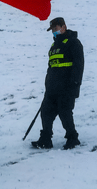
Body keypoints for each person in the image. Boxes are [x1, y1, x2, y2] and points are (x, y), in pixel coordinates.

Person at [31, 17, 85, 150]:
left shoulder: (73, 42)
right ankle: (45, 139)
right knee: (46, 113)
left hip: (67, 87)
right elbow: (51, 66)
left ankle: (72, 138)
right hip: (52, 88)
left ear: (63, 27)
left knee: (65, 113)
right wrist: (48, 84)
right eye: (52, 30)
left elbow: (79, 65)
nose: (54, 31)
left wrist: (74, 84)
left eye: (56, 28)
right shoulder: (54, 46)